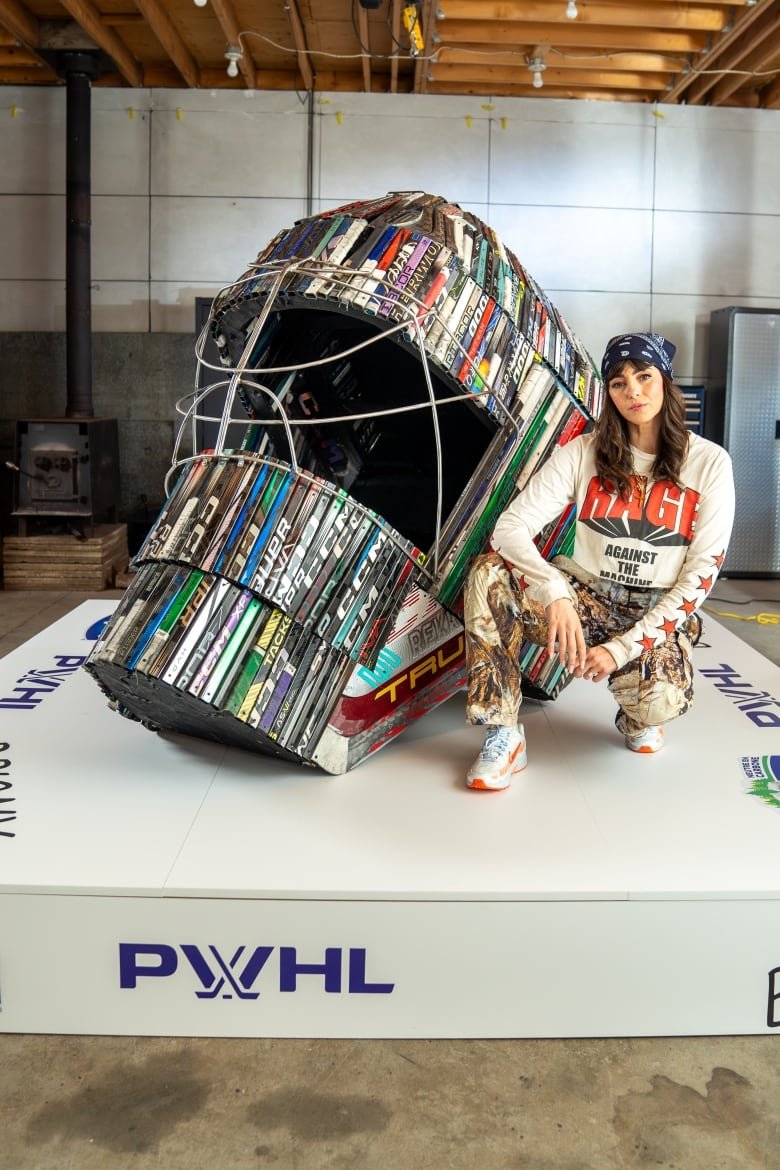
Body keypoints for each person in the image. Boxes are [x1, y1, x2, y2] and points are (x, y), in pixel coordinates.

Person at [462, 331, 735, 792]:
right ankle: (504, 733)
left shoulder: (709, 463)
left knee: (659, 701)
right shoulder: (586, 452)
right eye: (618, 383)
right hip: (585, 595)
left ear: (666, 383)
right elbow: (509, 528)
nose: (633, 392)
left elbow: (700, 577)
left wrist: (620, 649)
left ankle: (636, 717)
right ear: (608, 394)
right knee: (488, 574)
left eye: (644, 377)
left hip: (655, 608)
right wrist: (553, 591)